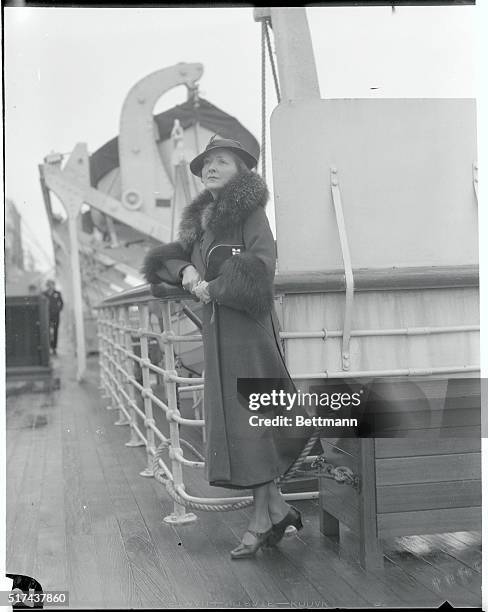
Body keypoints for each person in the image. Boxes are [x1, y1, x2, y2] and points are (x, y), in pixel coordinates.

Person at [143, 137, 313, 559]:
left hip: (247, 333)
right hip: (219, 334)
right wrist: (184, 270)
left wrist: (213, 287)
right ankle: (275, 509)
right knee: (241, 424)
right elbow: (165, 260)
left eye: (223, 161)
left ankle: (262, 519)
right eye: (208, 162)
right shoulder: (202, 221)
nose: (212, 167)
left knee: (249, 422)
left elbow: (262, 265)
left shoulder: (250, 213)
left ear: (241, 171)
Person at [42, 279, 63, 355]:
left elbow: (61, 303)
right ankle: (48, 347)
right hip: (46, 316)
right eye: (49, 284)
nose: (50, 286)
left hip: (55, 316)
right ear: (47, 285)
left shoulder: (57, 293)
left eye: (52, 284)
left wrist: (58, 310)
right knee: (47, 331)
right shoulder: (44, 294)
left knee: (55, 331)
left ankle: (54, 348)